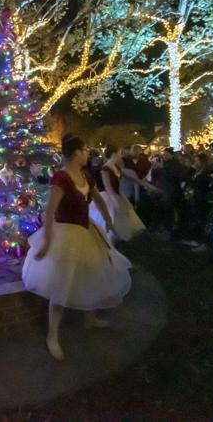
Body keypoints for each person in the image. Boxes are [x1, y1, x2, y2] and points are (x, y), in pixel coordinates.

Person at [22, 134, 132, 361]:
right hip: (66, 237)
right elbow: (50, 212)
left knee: (88, 275)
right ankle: (52, 336)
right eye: (84, 150)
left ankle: (89, 318)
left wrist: (107, 220)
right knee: (62, 287)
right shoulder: (61, 178)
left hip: (85, 231)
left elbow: (96, 198)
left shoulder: (85, 174)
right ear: (74, 153)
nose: (87, 154)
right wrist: (48, 241)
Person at [90, 144, 149, 243]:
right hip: (109, 197)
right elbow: (108, 188)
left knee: (120, 220)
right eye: (119, 153)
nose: (121, 155)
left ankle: (117, 241)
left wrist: (148, 186)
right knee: (112, 220)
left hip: (117, 195)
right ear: (114, 154)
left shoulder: (116, 166)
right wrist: (117, 200)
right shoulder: (105, 168)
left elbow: (132, 178)